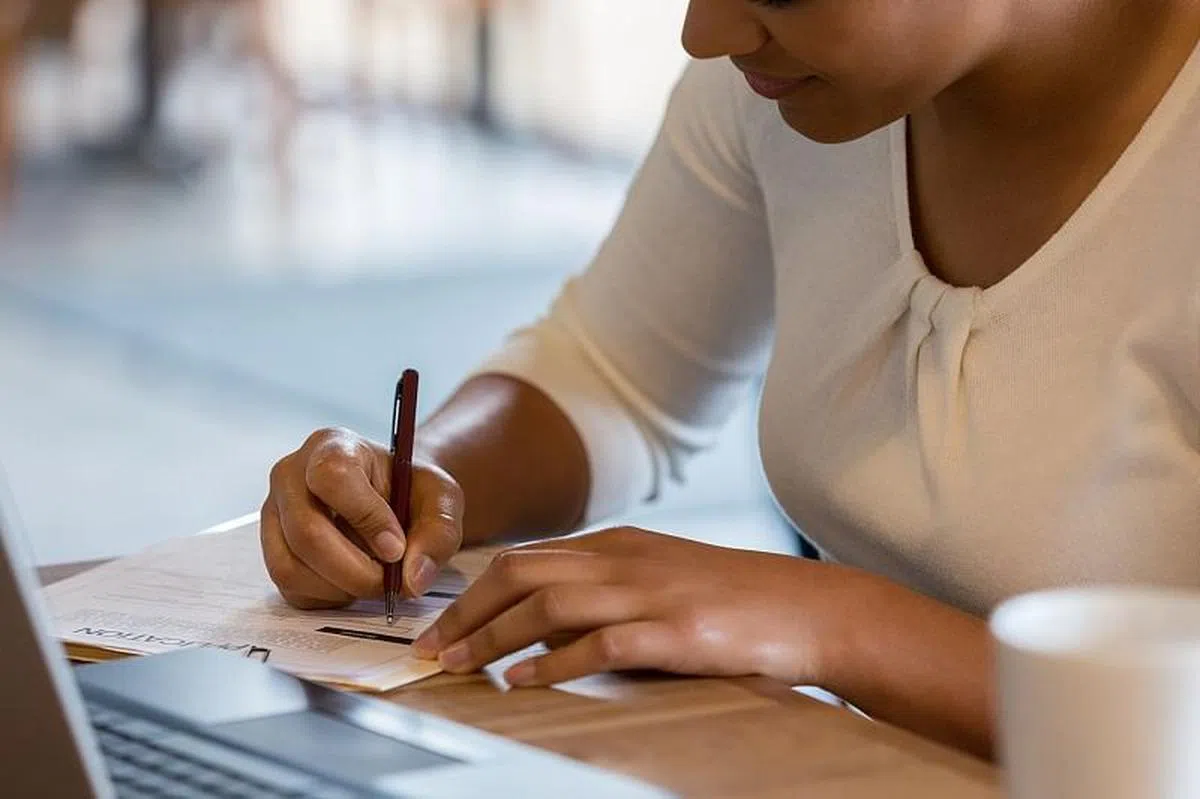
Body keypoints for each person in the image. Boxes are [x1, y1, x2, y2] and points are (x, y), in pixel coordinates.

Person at [260, 0, 1200, 759]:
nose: (700, 33)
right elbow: (614, 371)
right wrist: (423, 478)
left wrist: (843, 625)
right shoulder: (781, 82)